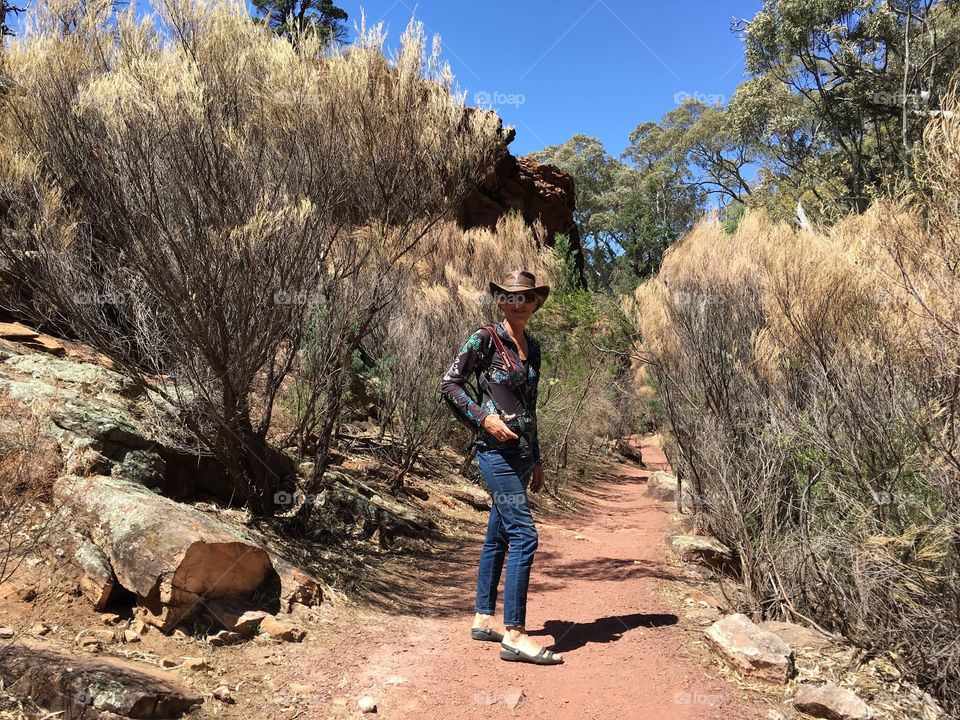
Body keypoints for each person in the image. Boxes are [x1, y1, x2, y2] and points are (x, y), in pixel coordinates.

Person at [439, 269, 564, 666]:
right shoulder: (486, 338)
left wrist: (539, 457)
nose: (519, 303)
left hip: (523, 456)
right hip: (493, 452)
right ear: (501, 301)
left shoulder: (535, 346)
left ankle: (482, 617)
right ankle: (514, 634)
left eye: (526, 297)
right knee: (525, 536)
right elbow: (450, 383)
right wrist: (482, 419)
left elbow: (531, 405)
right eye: (511, 296)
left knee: (499, 536)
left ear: (535, 302)